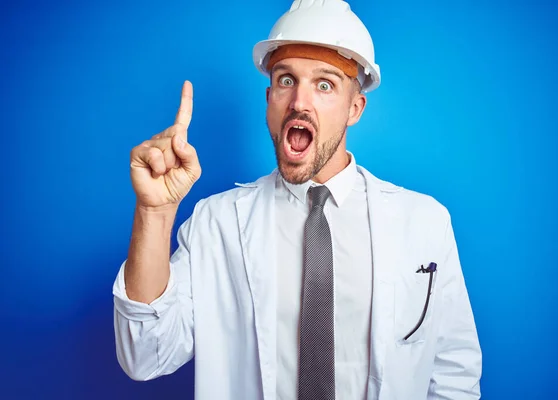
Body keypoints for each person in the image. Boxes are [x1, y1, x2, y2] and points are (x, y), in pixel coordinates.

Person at [112, 1, 482, 399]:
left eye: (325, 85)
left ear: (354, 108)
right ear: (269, 98)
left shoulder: (424, 222)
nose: (299, 102)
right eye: (286, 80)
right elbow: (145, 355)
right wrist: (154, 212)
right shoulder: (215, 224)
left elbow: (453, 374)